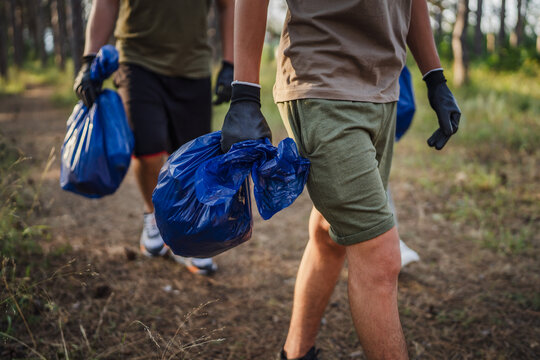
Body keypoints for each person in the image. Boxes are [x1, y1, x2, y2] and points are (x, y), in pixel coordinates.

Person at [221, 0, 460, 359]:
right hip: (322, 87)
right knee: (380, 259)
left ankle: (296, 352)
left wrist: (435, 77)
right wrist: (243, 93)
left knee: (329, 234)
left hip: (384, 90)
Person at [74, 0, 235, 275]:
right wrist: (89, 60)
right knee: (148, 150)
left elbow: (228, 5)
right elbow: (106, 3)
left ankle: (188, 234)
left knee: (191, 159)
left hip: (193, 66)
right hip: (137, 62)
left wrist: (231, 64)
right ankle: (156, 219)